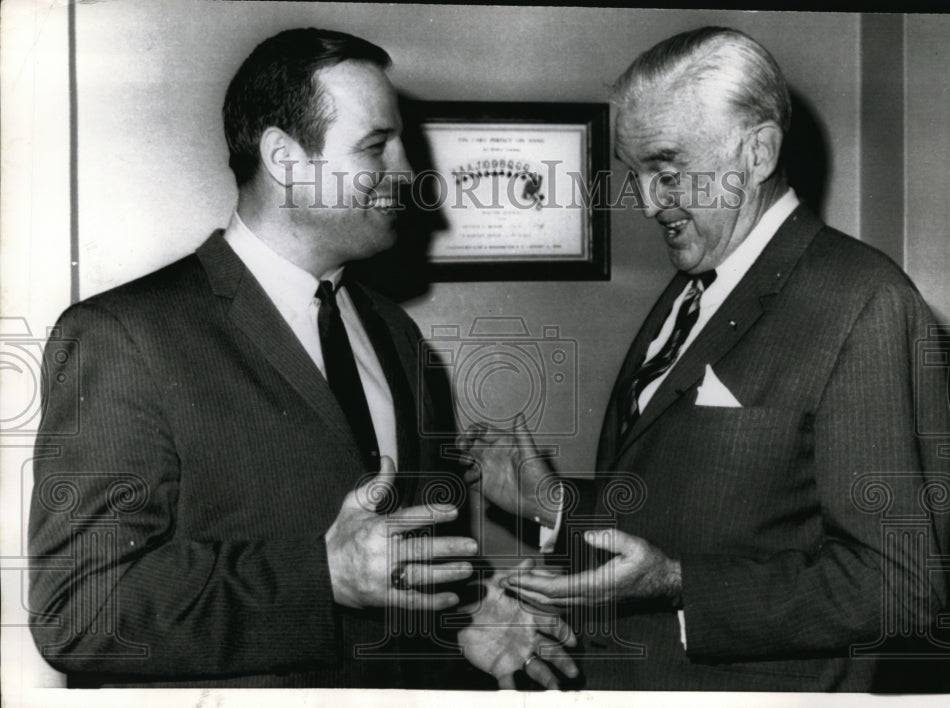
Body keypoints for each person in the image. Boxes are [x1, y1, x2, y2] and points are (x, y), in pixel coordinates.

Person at [28, 28, 576, 689]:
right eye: (377, 147)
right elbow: (82, 614)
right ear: (286, 159)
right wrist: (318, 580)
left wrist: (463, 621)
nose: (406, 173)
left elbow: (398, 572)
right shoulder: (124, 338)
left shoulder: (395, 335)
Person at [461, 26, 950, 691]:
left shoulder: (862, 300)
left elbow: (900, 585)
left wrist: (676, 584)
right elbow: (710, 509)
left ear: (756, 152)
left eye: (666, 170)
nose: (644, 200)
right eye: (634, 174)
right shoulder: (694, 287)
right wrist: (557, 507)